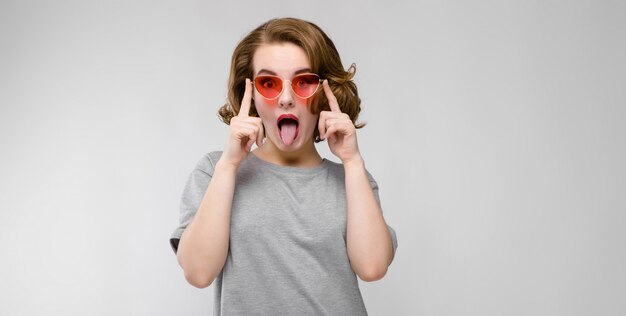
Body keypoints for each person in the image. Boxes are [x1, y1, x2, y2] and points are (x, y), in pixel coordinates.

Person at [170, 17, 398, 315]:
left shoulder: (352, 179)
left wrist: (353, 161)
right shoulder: (216, 170)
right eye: (269, 83)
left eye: (304, 82)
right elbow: (198, 272)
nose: (287, 99)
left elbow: (373, 267)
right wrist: (229, 165)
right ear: (250, 95)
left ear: (325, 92)